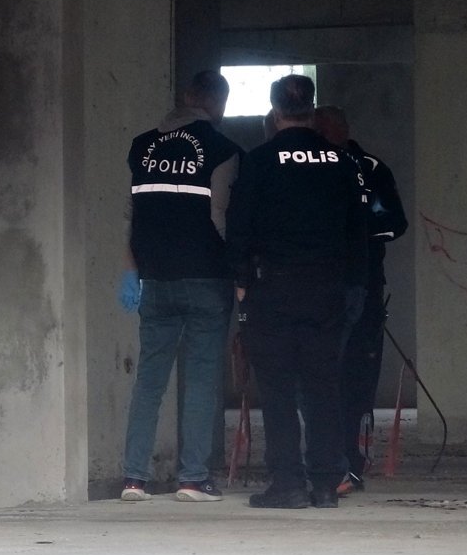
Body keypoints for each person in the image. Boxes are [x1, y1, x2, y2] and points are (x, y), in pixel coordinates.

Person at [226, 75, 368, 509]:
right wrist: (352, 284)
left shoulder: (259, 161)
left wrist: (240, 281)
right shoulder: (341, 161)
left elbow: (239, 226)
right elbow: (359, 230)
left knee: (278, 388)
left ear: (274, 112)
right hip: (326, 288)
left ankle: (287, 482)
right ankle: (325, 483)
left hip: (274, 288)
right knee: (324, 387)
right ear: (312, 109)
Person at [119, 70, 242, 503]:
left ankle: (134, 479)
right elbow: (219, 214)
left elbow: (132, 213)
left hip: (154, 276)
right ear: (218, 104)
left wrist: (130, 269)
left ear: (186, 97)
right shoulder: (223, 149)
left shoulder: (141, 146)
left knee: (150, 380)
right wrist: (239, 269)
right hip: (206, 275)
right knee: (201, 378)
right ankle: (192, 479)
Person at [312, 106, 408, 496]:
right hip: (317, 288)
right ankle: (323, 461)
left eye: (324, 130)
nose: (320, 136)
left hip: (365, 287)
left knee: (357, 380)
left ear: (342, 130)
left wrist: (356, 232)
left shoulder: (370, 168)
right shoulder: (309, 166)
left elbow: (395, 222)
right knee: (321, 377)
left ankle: (352, 461)